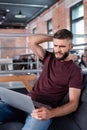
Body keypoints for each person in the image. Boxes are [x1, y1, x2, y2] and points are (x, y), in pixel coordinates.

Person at [0, 29, 83, 130]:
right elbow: (30, 40)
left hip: (44, 109)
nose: (57, 50)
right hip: (26, 103)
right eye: (55, 45)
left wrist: (51, 113)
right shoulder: (49, 57)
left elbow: (73, 104)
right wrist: (54, 38)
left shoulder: (75, 70)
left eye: (62, 46)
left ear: (71, 47)